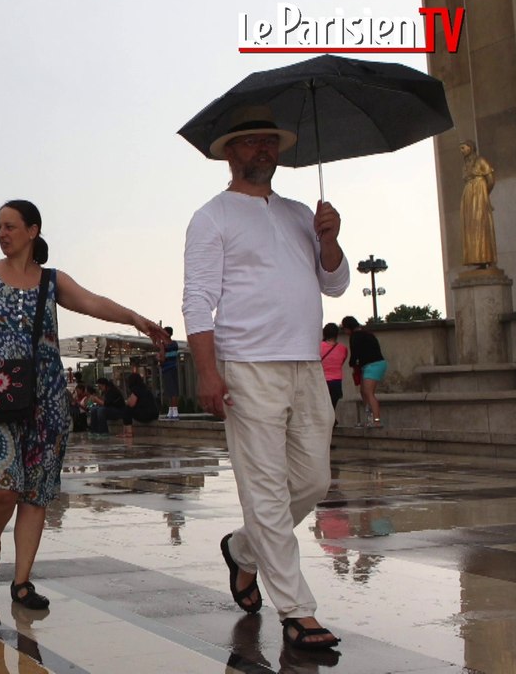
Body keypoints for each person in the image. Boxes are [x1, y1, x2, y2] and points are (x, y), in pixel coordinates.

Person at [0, 199, 168, 610]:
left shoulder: (51, 281)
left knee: (35, 493)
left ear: (32, 231)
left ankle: (22, 583)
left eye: (10, 226)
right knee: (4, 488)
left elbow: (93, 302)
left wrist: (135, 319)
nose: (1, 234)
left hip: (47, 402)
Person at [183, 111, 348, 649]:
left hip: (305, 364)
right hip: (247, 366)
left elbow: (335, 285)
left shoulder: (301, 214)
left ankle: (243, 550)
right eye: (252, 141)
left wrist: (329, 241)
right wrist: (207, 372)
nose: (263, 150)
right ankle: (297, 611)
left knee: (314, 481)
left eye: (270, 142)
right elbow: (197, 301)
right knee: (266, 492)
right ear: (230, 152)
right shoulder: (212, 216)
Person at [340, 316, 386, 428]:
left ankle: (376, 420)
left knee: (368, 393)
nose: (344, 332)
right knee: (364, 392)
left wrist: (352, 365)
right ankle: (369, 419)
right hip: (376, 364)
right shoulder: (368, 334)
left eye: (344, 329)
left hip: (372, 365)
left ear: (348, 328)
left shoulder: (355, 337)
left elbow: (354, 355)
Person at [459, 140, 497, 268]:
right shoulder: (465, 165)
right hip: (468, 197)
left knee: (481, 225)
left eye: (463, 148)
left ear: (470, 148)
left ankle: (487, 258)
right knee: (471, 228)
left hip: (480, 193)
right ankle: (477, 258)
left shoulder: (480, 161)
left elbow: (491, 179)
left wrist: (484, 195)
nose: (462, 151)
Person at [320, 323, 348, 416]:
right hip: (336, 382)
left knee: (322, 408)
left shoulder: (319, 347)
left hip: (322, 381)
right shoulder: (343, 348)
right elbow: (342, 362)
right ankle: (332, 421)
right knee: (332, 407)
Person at [159, 327, 181, 419]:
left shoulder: (163, 345)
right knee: (173, 389)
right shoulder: (175, 344)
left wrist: (159, 357)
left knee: (170, 390)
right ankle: (172, 411)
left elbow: (162, 359)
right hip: (173, 368)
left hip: (167, 369)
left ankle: (173, 411)